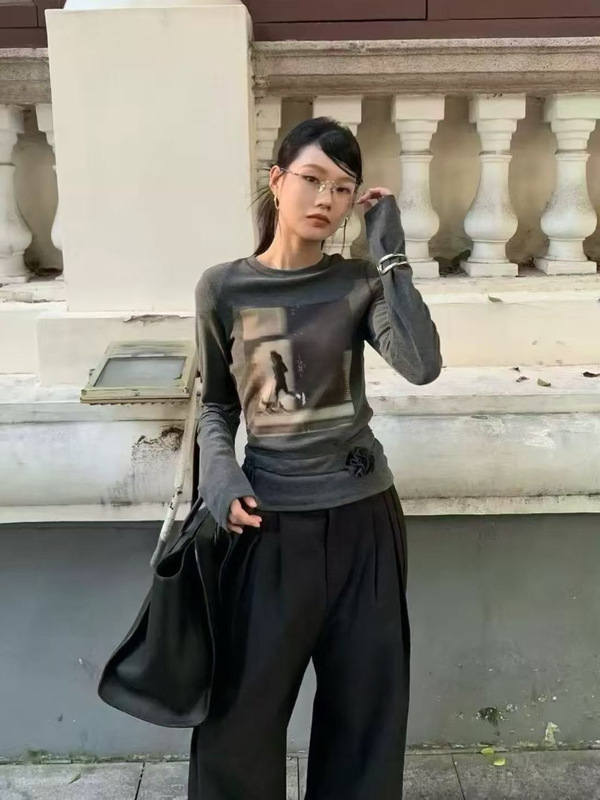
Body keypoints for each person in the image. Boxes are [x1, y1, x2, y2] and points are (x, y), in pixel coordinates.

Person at [190, 117, 442, 800]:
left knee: (364, 717)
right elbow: (215, 405)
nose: (326, 198)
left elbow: (421, 364)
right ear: (277, 181)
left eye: (342, 187)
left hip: (364, 522)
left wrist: (390, 256)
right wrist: (220, 473)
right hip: (267, 526)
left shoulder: (357, 282)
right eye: (311, 179)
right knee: (239, 722)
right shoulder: (224, 288)